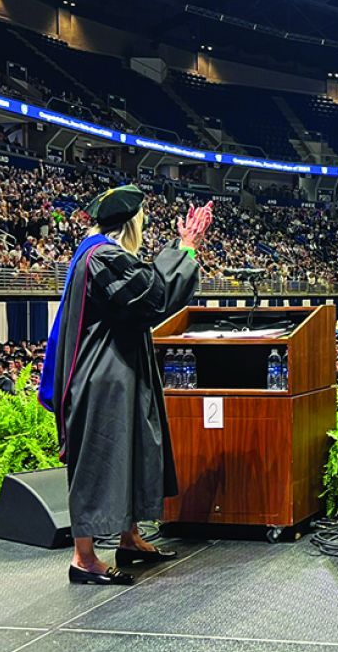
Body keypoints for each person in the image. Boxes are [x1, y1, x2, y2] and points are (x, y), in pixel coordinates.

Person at [40, 185, 212, 586]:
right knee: (100, 460)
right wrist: (185, 247)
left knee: (130, 451)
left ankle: (128, 538)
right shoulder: (103, 257)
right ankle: (84, 558)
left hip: (118, 371)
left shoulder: (97, 253)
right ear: (131, 222)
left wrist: (182, 248)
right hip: (101, 377)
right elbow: (153, 296)